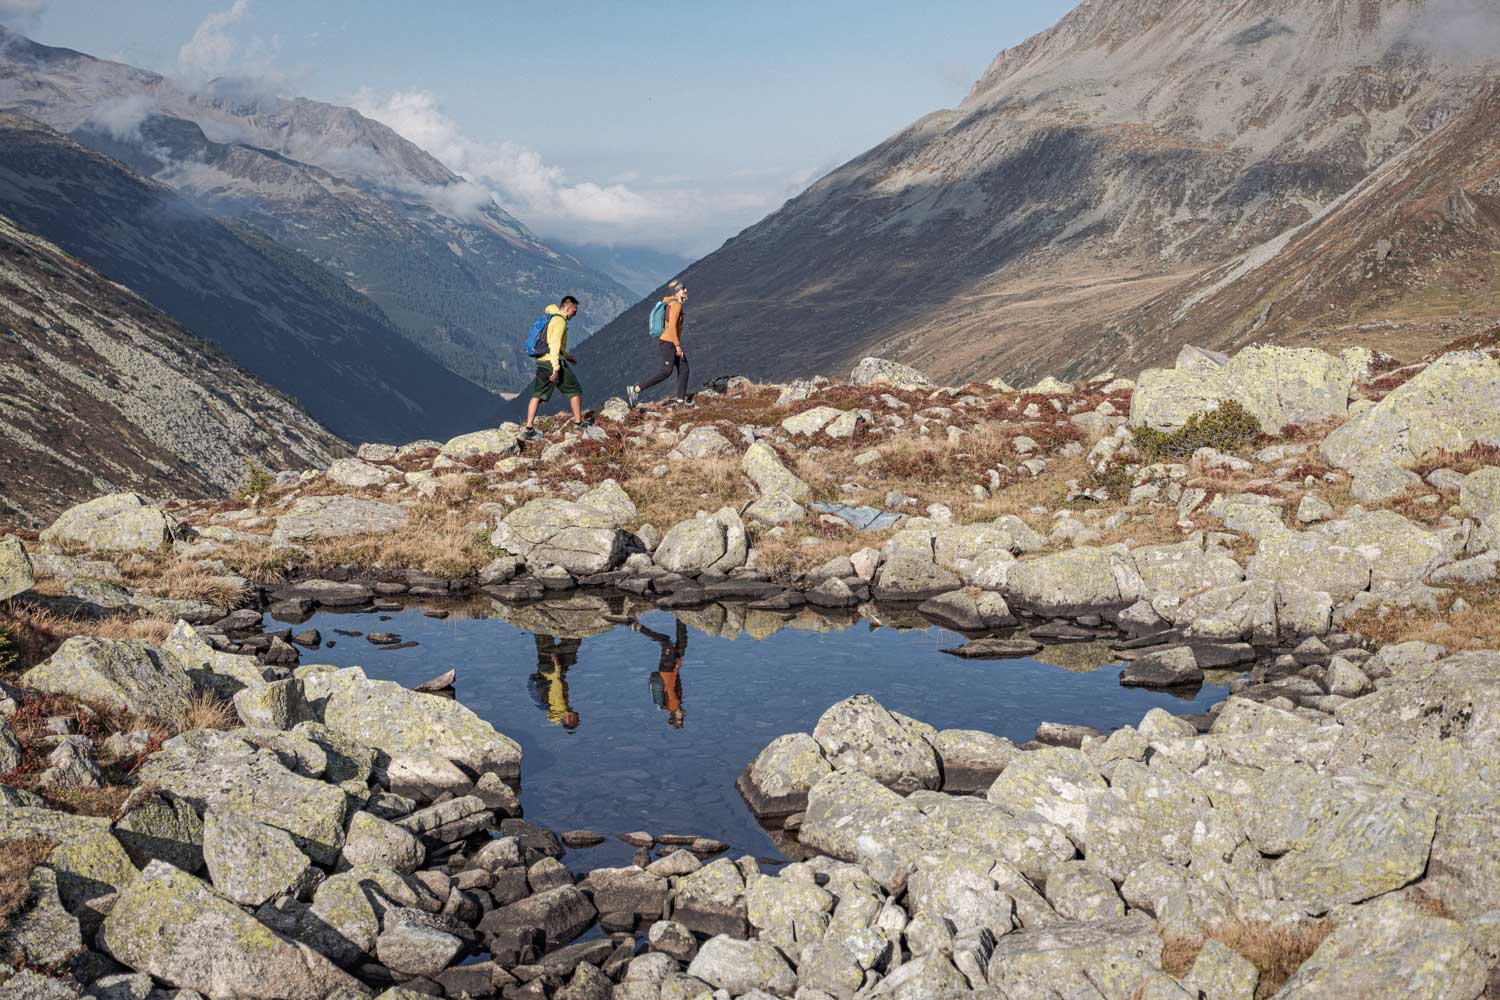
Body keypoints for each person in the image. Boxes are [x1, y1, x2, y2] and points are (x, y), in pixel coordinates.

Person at [522, 296, 592, 441]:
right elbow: (554, 344)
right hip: (553, 363)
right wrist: (556, 367)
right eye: (574, 311)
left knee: (537, 394)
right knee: (574, 390)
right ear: (568, 308)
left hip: (542, 361)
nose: (575, 314)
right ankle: (578, 423)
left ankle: (529, 429)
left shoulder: (551, 317)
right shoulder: (560, 321)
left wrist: (567, 356)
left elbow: (551, 344)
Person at [626, 280, 689, 409]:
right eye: (683, 289)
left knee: (684, 368)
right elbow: (672, 327)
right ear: (678, 291)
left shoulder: (670, 301)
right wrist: (677, 346)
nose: (686, 290)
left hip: (669, 341)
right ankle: (635, 389)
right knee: (665, 372)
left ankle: (681, 402)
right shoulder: (676, 305)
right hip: (669, 342)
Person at [635, 618, 688, 727]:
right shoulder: (669, 707)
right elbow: (676, 683)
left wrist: (677, 666)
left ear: (674, 715)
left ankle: (639, 628)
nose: (681, 716)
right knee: (681, 645)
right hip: (667, 671)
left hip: (668, 670)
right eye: (681, 718)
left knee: (665, 641)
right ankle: (681, 618)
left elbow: (669, 686)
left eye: (679, 718)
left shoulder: (674, 705)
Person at [528, 633, 583, 729]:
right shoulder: (556, 710)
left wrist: (556, 664)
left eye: (575, 720)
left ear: (569, 719)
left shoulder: (559, 707)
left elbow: (555, 684)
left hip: (550, 670)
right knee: (565, 652)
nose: (577, 718)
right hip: (545, 672)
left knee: (545, 639)